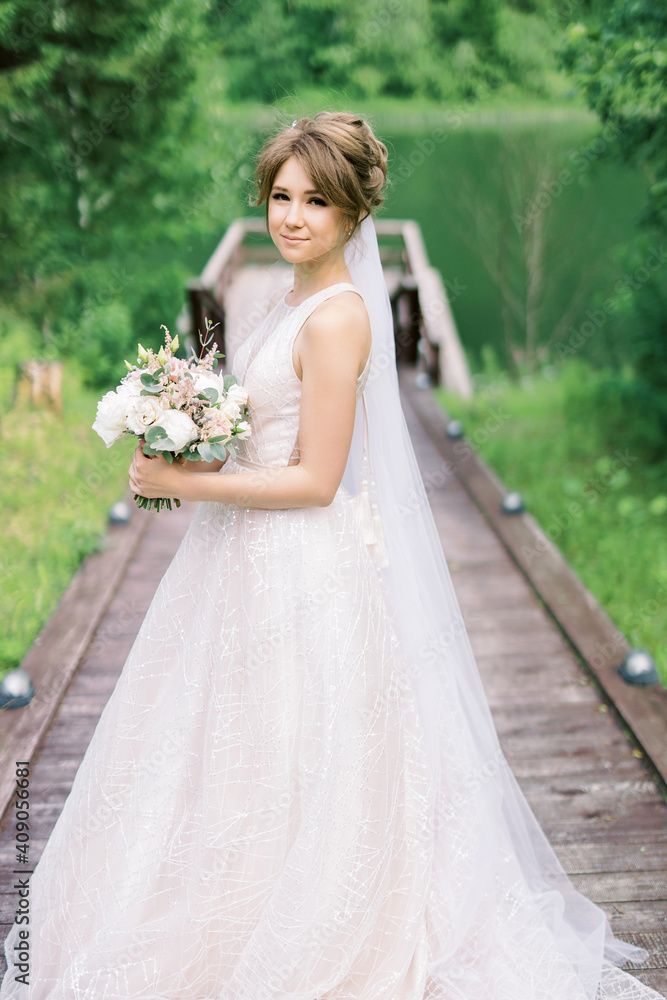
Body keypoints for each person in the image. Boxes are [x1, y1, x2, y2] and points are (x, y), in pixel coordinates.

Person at [0, 111, 663, 1000]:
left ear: (354, 215)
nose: (293, 217)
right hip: (241, 559)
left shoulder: (338, 318)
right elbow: (267, 438)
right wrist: (192, 436)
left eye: (317, 201)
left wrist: (184, 484)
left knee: (292, 746)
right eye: (280, 197)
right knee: (228, 746)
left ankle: (299, 927)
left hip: (299, 565)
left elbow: (315, 481)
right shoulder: (289, 298)